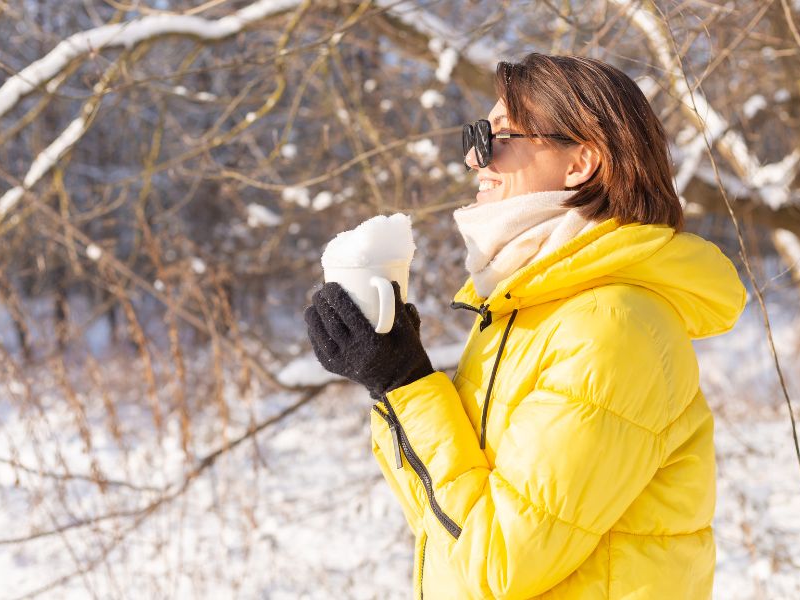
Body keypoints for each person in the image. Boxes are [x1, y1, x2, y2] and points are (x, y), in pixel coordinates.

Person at [304, 53, 746, 599]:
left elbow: (501, 561)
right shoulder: (524, 311)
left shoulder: (611, 328)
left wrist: (406, 386)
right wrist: (389, 383)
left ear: (581, 161)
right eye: (475, 134)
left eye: (498, 137)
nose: (472, 156)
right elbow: (448, 524)